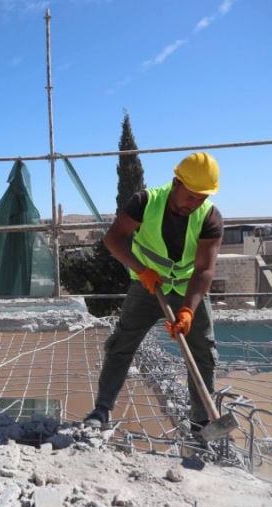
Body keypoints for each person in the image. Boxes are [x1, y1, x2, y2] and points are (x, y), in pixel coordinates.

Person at [84, 152, 223, 436]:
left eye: (201, 197)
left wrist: (188, 310)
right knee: (121, 344)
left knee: (202, 354)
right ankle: (101, 410)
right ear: (176, 182)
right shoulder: (145, 202)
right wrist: (142, 270)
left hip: (187, 288)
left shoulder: (210, 216)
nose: (194, 203)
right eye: (191, 195)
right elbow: (114, 239)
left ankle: (201, 423)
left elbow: (205, 270)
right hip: (148, 286)